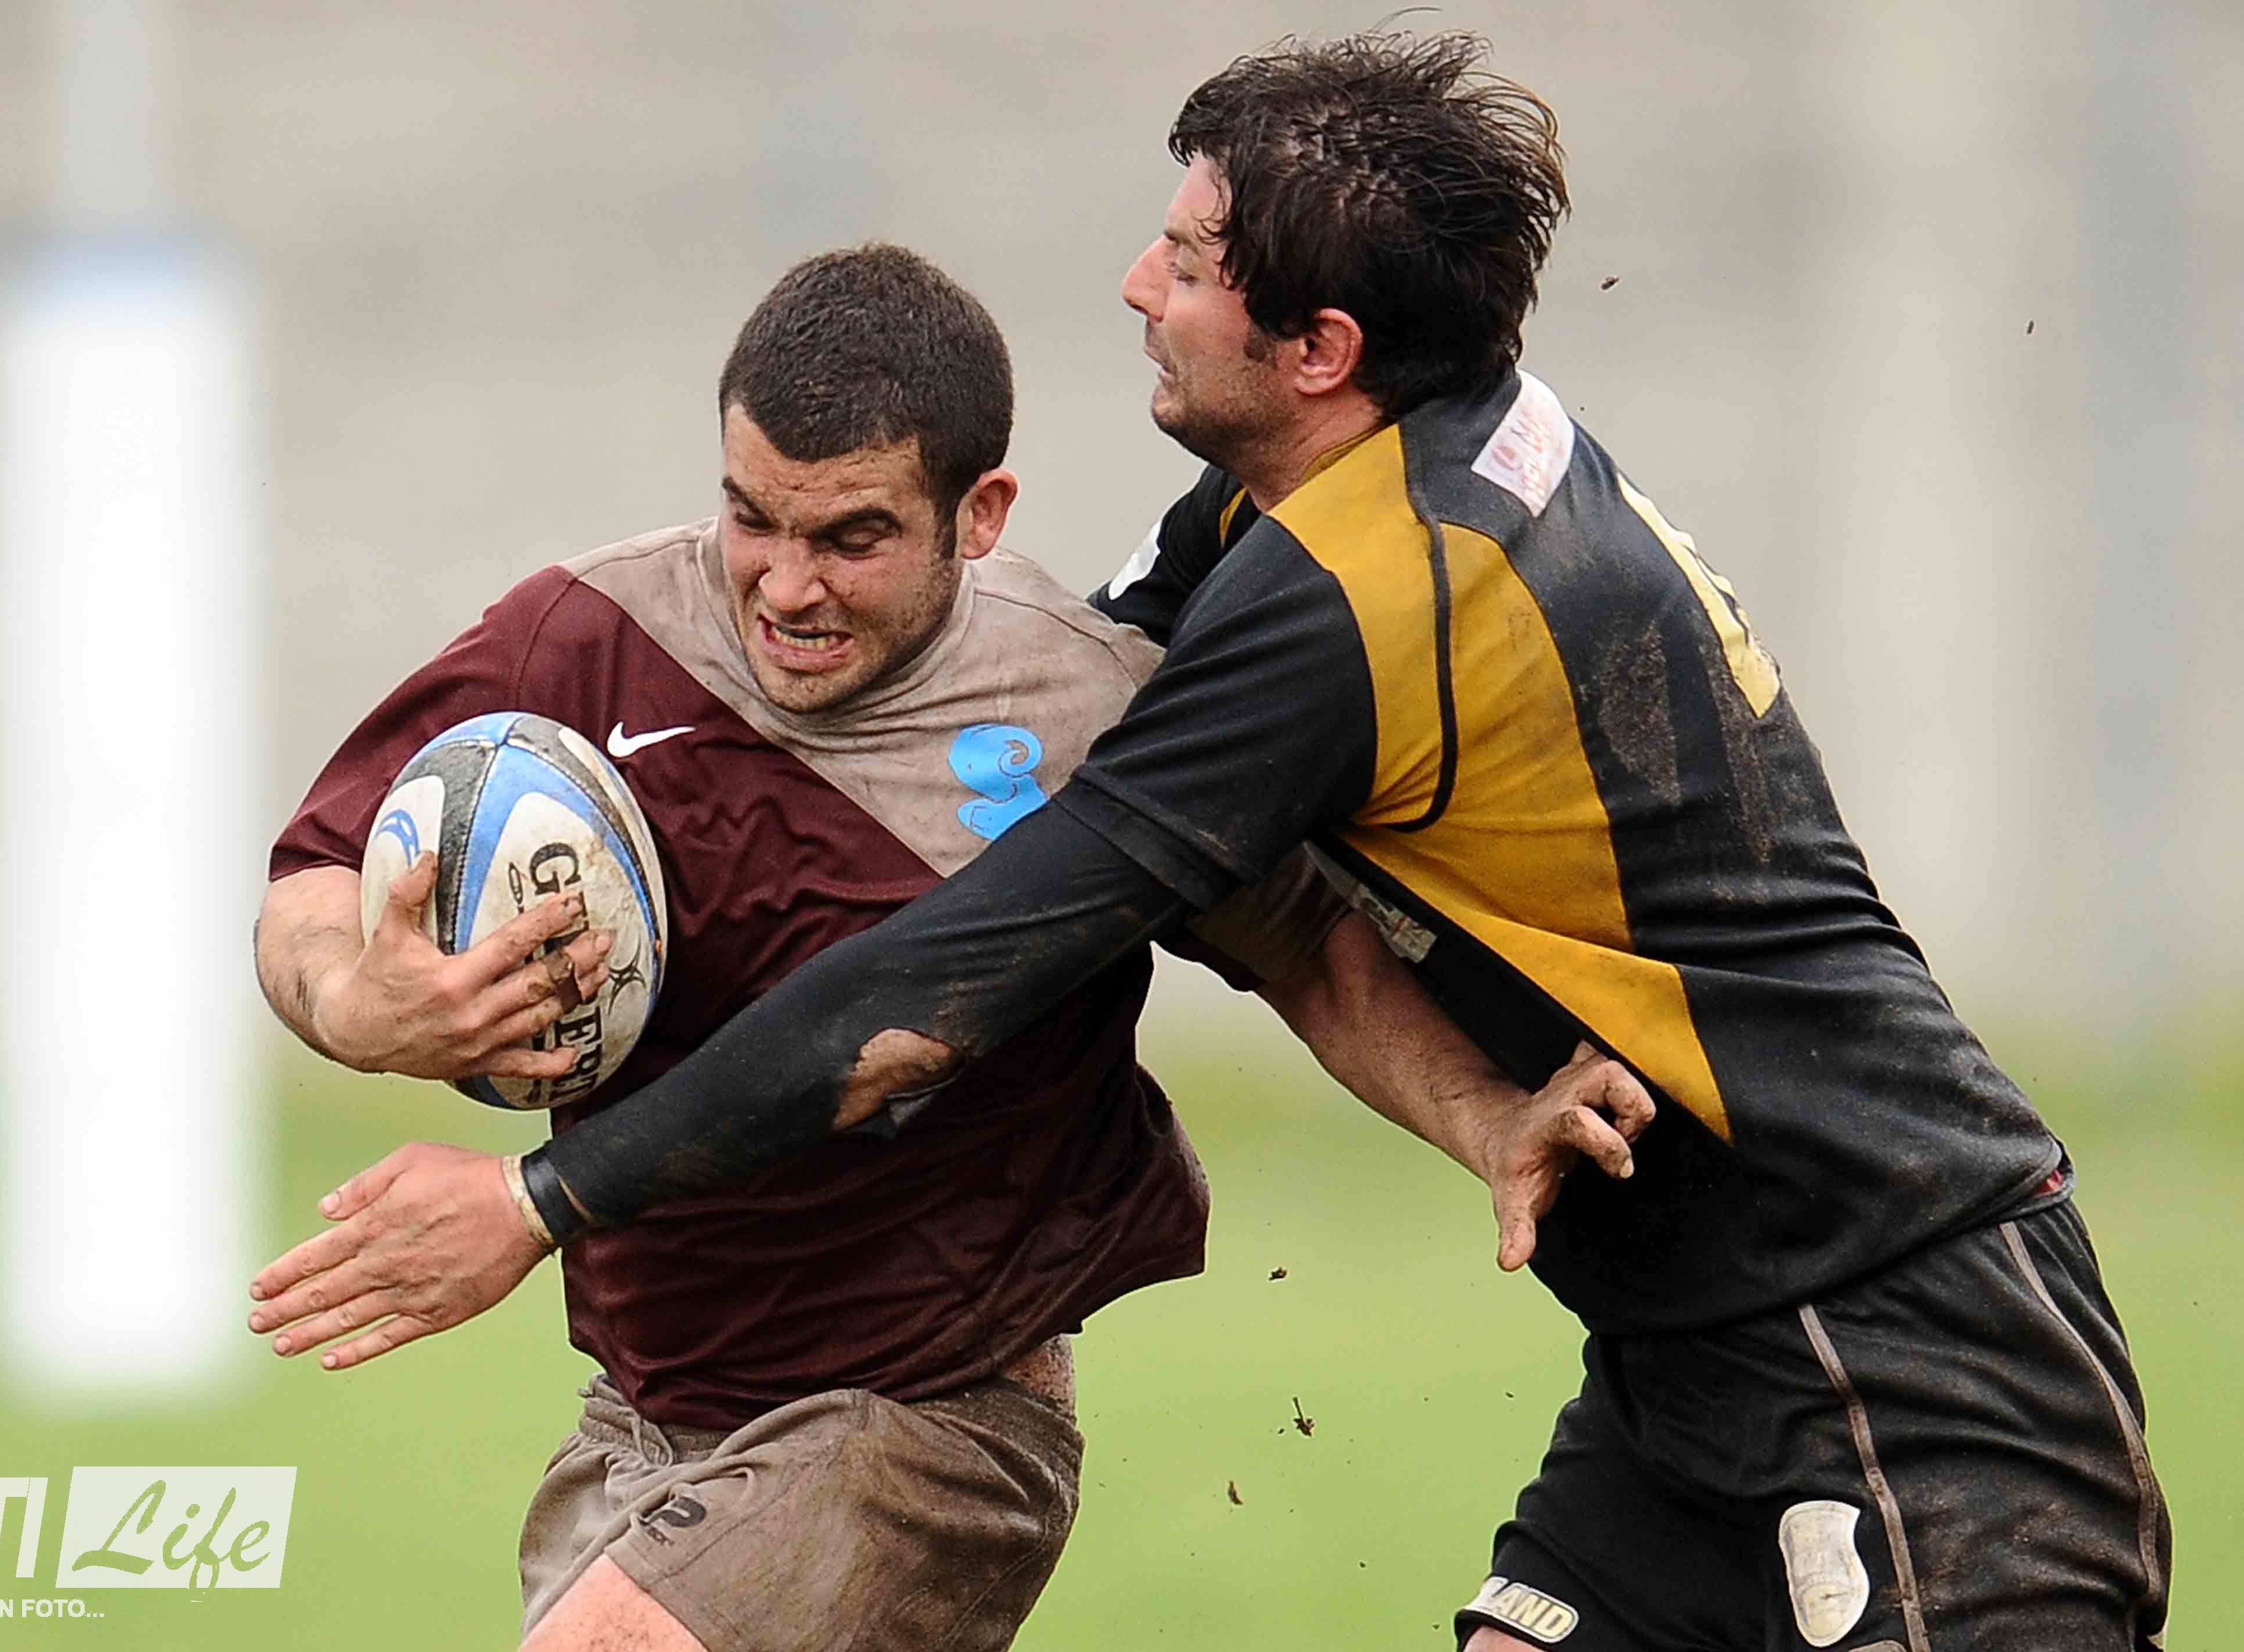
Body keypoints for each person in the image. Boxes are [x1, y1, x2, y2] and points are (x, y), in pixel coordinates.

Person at [438, 33, 2168, 1652]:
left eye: (1190, 263)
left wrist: (546, 1193)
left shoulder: (1360, 600)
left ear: (1321, 348)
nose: (1140, 285)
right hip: (1699, 1361)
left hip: (1911, 1366)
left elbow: (985, 951)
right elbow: (1057, 702)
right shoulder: (1370, 478)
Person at [246, 244, 1652, 1652]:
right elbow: (316, 871)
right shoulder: (590, 634)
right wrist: (354, 1006)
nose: (783, 588)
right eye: (750, 519)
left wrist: (1486, 1119)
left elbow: (1307, 951)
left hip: (923, 1422)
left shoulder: (1091, 709)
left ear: (976, 515)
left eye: (849, 538)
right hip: (640, 1417)